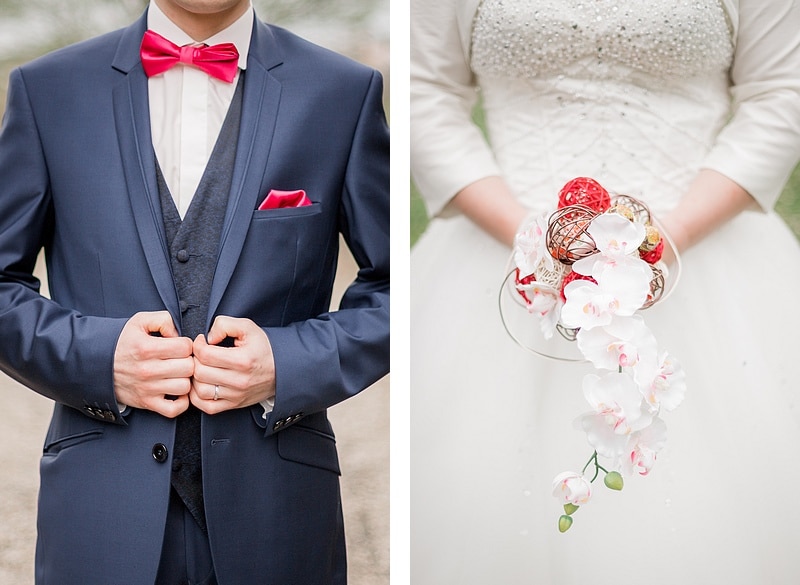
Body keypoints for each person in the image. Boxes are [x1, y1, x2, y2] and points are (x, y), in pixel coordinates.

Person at [411, 1, 800, 583]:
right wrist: (536, 244)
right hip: (504, 251)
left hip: (703, 244)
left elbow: (780, 92)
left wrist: (663, 242)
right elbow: (425, 91)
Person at [0, 0, 389, 583]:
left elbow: (394, 287)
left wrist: (287, 364)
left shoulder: (341, 91)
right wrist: (101, 358)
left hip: (279, 514)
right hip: (101, 514)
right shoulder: (48, 89)